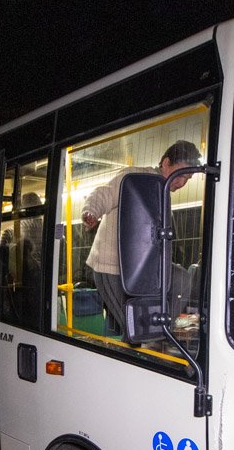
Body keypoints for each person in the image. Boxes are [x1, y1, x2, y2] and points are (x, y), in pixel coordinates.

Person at [81, 140, 202, 336]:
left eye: (187, 179)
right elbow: (104, 194)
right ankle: (145, 338)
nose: (181, 183)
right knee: (134, 328)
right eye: (180, 175)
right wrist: (91, 212)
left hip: (143, 268)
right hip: (113, 267)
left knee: (181, 279)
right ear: (166, 163)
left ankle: (161, 331)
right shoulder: (136, 177)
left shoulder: (162, 191)